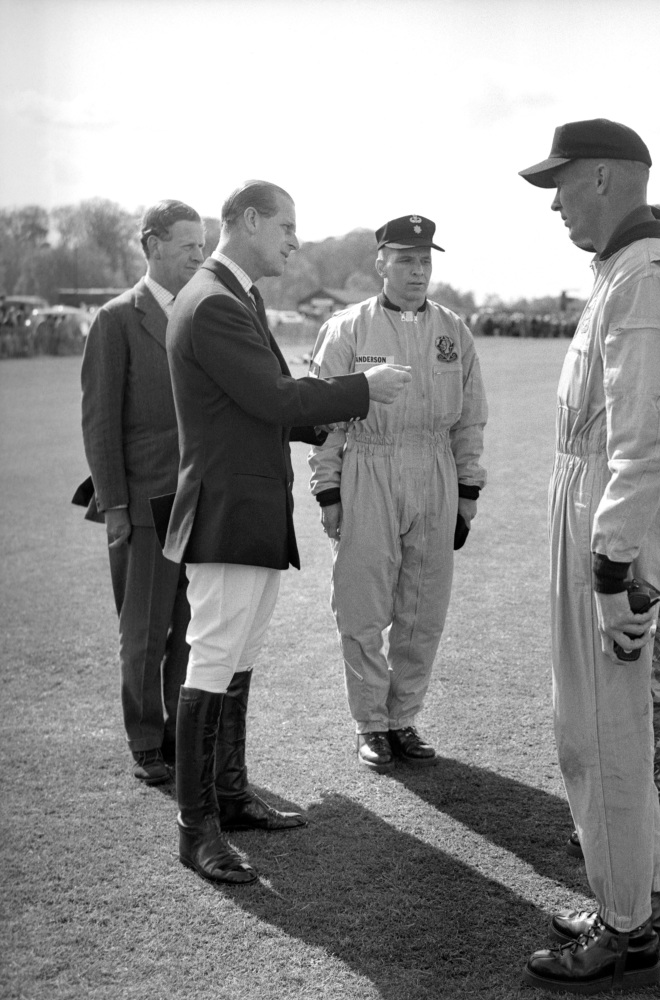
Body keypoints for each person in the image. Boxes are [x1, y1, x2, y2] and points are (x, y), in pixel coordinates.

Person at [160, 180, 411, 885]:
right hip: (227, 511)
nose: (296, 240)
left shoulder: (234, 294)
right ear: (244, 222)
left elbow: (263, 405)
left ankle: (231, 796)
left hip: (249, 507)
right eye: (286, 227)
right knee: (212, 663)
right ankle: (195, 826)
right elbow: (269, 397)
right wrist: (363, 391)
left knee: (236, 658)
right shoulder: (211, 300)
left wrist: (325, 415)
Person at [518, 119, 660, 994]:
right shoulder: (621, 272)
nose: (552, 202)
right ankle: (634, 906)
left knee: (607, 737)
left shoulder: (646, 278)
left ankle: (627, 930)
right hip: (591, 511)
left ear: (603, 178)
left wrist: (611, 569)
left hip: (609, 527)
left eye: (560, 183)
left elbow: (646, 440)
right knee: (590, 733)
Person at [307, 216, 487, 771]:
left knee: (422, 606)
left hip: (433, 471)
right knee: (362, 604)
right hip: (369, 468)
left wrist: (467, 492)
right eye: (405, 260)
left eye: (425, 261)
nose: (417, 271)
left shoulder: (453, 331)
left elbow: (471, 419)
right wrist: (328, 490)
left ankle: (404, 718)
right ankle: (370, 724)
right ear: (381, 263)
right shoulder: (348, 329)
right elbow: (323, 418)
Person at [79, 199, 205, 785]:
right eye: (186, 244)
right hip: (144, 503)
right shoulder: (116, 319)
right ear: (153, 245)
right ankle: (146, 739)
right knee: (144, 633)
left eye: (202, 245)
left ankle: (181, 734)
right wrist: (116, 509)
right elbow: (100, 423)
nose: (198, 255)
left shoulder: (203, 312)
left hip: (200, 500)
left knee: (190, 629)